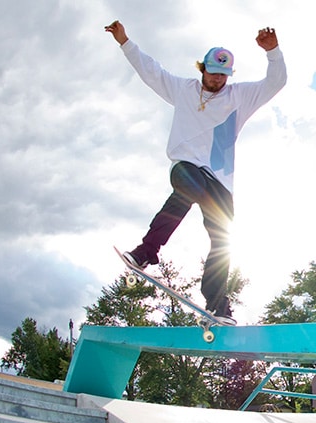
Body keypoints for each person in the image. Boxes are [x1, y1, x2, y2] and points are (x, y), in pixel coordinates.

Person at [104, 20, 287, 324]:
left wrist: (274, 53)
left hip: (221, 183)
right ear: (202, 68)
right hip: (186, 167)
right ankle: (146, 251)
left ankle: (217, 303)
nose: (218, 81)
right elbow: (151, 71)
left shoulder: (239, 97)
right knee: (189, 186)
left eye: (224, 76)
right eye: (213, 73)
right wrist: (125, 42)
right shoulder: (183, 89)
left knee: (222, 238)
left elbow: (275, 83)